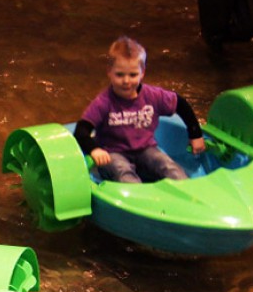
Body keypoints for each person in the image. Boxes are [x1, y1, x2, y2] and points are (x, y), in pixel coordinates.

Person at [74, 36, 206, 184]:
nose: (126, 81)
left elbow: (181, 105)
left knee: (170, 168)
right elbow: (81, 131)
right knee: (123, 174)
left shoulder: (153, 96)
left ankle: (186, 192)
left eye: (133, 75)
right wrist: (95, 150)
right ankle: (140, 200)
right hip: (113, 153)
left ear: (142, 72)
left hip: (146, 150)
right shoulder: (103, 102)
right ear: (109, 72)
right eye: (119, 75)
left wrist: (195, 135)